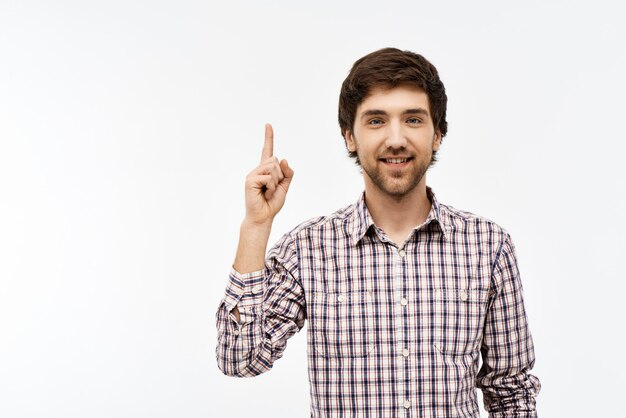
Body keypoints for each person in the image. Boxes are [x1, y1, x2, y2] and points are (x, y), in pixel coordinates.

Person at [215, 47, 540, 417]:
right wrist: (256, 226)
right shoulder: (307, 250)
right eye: (376, 121)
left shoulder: (489, 247)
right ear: (349, 136)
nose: (396, 138)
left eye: (414, 120)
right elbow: (239, 358)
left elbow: (511, 394)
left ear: (438, 134)